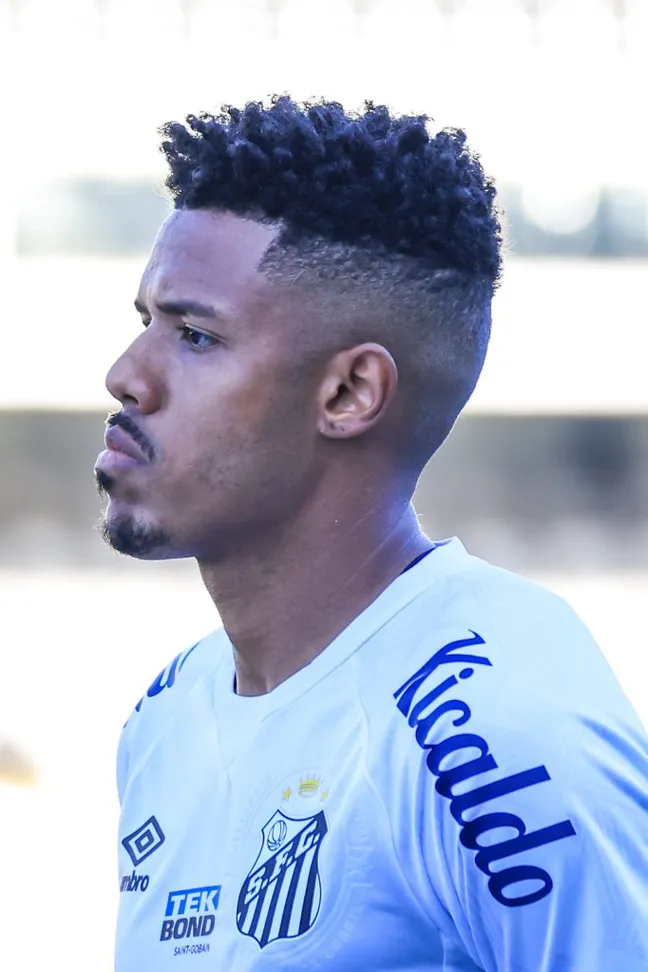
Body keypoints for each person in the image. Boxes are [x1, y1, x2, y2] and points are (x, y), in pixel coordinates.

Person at [96, 98, 648, 972]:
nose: (126, 376)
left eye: (195, 336)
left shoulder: (500, 732)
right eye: (145, 323)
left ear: (349, 394)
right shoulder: (167, 713)